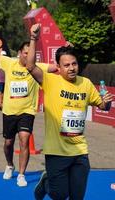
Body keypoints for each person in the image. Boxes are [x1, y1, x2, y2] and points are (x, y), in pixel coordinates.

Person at [26, 24, 113, 199]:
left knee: (77, 197)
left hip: (80, 150)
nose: (72, 68)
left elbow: (103, 106)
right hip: (56, 151)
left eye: (74, 64)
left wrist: (106, 103)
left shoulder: (86, 83)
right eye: (66, 65)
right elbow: (29, 66)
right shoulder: (50, 80)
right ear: (58, 67)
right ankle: (46, 182)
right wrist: (34, 39)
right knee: (60, 195)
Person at [0, 23, 57, 187]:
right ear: (19, 54)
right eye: (25, 53)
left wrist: (67, 51)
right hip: (9, 111)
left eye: (30, 53)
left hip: (27, 111)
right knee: (8, 143)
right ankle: (10, 164)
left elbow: (57, 67)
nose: (28, 56)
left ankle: (22, 175)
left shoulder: (38, 67)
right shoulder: (9, 63)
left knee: (24, 140)